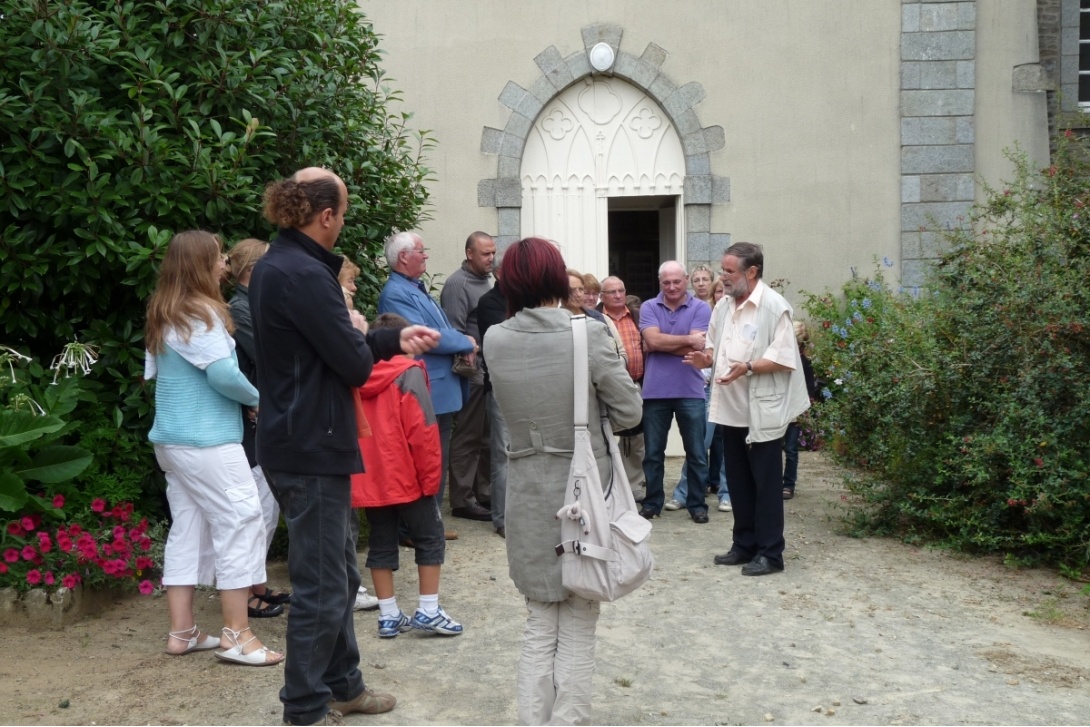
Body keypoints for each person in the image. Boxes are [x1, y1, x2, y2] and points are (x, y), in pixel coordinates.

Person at [249, 167, 440, 725]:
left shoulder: (277, 265)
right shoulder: (306, 274)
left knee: (337, 574)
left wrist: (386, 336)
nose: (343, 223)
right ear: (326, 216)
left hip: (302, 438)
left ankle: (345, 686)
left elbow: (333, 349)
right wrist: (370, 339)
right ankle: (305, 708)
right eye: (343, 213)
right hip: (311, 443)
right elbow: (353, 364)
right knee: (323, 582)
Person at [484, 237, 642, 726]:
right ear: (556, 277)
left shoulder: (494, 338)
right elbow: (630, 411)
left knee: (538, 620)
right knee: (578, 618)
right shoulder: (587, 334)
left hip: (527, 490)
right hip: (584, 492)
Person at [145, 230, 282, 667]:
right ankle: (237, 636)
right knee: (243, 520)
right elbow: (223, 376)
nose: (225, 263)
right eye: (219, 257)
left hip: (172, 441)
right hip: (207, 442)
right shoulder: (200, 313)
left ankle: (183, 632)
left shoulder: (165, 313)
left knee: (189, 528)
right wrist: (259, 399)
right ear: (201, 265)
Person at [691, 242, 809, 577]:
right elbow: (714, 346)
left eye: (729, 271)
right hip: (730, 410)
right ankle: (744, 545)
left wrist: (749, 367)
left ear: (751, 272)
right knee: (740, 484)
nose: (723, 277)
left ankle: (771, 554)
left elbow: (785, 358)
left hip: (762, 413)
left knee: (766, 485)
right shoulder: (724, 307)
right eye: (723, 270)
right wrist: (705, 359)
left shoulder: (773, 307)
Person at [350, 313, 463, 639]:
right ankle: (429, 610)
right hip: (408, 477)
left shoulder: (357, 375)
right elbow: (424, 431)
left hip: (372, 479)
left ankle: (388, 615)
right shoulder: (409, 374)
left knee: (381, 543)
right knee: (430, 538)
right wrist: (431, 481)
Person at [378, 231, 478, 522]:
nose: (426, 255)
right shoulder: (396, 292)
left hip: (437, 386)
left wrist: (460, 340)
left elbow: (441, 327)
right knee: (428, 459)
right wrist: (466, 343)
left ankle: (429, 522)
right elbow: (427, 336)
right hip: (426, 387)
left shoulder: (414, 287)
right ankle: (421, 526)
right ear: (403, 257)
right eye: (421, 251)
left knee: (436, 456)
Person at [226, 237, 292, 619]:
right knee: (258, 505)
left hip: (260, 411)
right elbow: (268, 357)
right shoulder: (241, 308)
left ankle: (257, 585)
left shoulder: (252, 304)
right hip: (253, 417)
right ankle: (250, 590)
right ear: (252, 268)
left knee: (264, 504)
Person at [637, 261, 713, 524]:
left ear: (686, 280)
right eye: (666, 282)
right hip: (655, 392)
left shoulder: (701, 308)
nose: (671, 287)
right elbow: (652, 340)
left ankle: (697, 504)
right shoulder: (648, 306)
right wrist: (686, 340)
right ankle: (652, 503)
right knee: (653, 454)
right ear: (660, 282)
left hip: (690, 390)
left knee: (696, 453)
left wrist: (660, 343)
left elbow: (697, 350)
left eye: (676, 282)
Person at [664, 265, 732, 513]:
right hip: (701, 387)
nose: (702, 284)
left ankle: (726, 493)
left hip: (728, 384)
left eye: (707, 280)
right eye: (697, 280)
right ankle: (685, 491)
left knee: (728, 445)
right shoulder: (695, 313)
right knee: (699, 443)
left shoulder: (727, 317)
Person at [440, 231, 496, 520]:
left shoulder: (488, 281)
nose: (491, 258)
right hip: (470, 371)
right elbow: (454, 331)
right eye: (485, 253)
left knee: (486, 436)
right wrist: (472, 367)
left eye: (493, 253)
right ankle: (462, 499)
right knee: (468, 436)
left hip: (489, 370)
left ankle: (483, 493)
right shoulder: (457, 284)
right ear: (469, 253)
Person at [598, 276, 647, 504]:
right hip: (605, 389)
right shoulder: (596, 318)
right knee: (604, 437)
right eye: (612, 292)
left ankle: (634, 487)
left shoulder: (637, 315)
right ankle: (607, 486)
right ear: (602, 296)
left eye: (621, 290)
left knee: (635, 440)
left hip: (635, 385)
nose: (618, 295)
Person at [474, 248, 509, 538]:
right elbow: (504, 341)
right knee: (503, 453)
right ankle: (502, 518)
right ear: (500, 274)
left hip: (523, 384)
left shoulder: (521, 300)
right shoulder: (489, 302)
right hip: (499, 386)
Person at [782, 320, 818, 500]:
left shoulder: (805, 363)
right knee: (770, 448)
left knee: (791, 449)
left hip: (795, 410)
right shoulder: (779, 360)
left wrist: (804, 409)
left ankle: (788, 484)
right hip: (777, 408)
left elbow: (810, 389)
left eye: (799, 344)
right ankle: (772, 482)